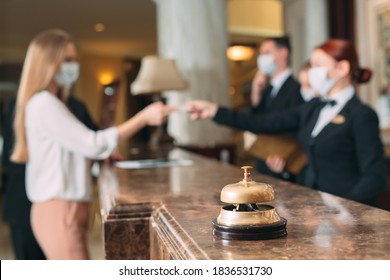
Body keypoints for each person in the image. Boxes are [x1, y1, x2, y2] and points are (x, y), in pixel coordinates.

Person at [10, 29, 172, 260]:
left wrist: (99, 157)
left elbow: (73, 150)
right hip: (59, 208)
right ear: (48, 63)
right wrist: (142, 118)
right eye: (67, 60)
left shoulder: (50, 103)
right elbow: (92, 143)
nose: (73, 66)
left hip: (63, 207)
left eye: (73, 60)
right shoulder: (44, 103)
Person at [186, 39, 386, 206]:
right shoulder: (313, 108)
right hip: (314, 211)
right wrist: (214, 111)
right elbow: (262, 123)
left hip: (347, 218)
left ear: (342, 68)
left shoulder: (362, 114)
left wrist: (344, 210)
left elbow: (375, 177)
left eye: (317, 65)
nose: (312, 72)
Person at [1, 94, 99, 260]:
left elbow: (94, 142)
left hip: (61, 204)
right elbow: (10, 159)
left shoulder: (76, 106)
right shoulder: (18, 105)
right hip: (23, 205)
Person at [246, 36, 304, 179]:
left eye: (266, 52)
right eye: (261, 53)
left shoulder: (297, 89)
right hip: (264, 163)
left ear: (283, 53)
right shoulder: (266, 89)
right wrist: (255, 92)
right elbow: (256, 123)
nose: (262, 57)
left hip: (285, 167)